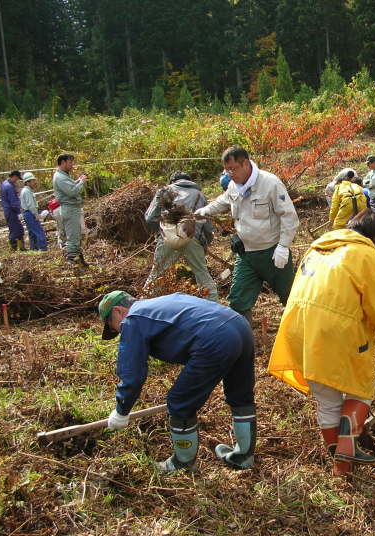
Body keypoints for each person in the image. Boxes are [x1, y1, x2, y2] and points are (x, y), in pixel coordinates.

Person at [267, 210, 375, 476]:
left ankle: (341, 468)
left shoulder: (318, 248)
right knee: (361, 389)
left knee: (328, 401)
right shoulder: (366, 255)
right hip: (336, 334)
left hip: (301, 332)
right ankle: (347, 448)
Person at [99, 291, 255, 474]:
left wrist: (121, 411)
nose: (118, 332)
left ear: (118, 311)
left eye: (112, 326)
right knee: (241, 395)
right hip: (240, 325)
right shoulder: (160, 303)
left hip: (215, 338)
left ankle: (182, 464)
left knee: (180, 401)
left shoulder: (133, 320)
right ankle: (243, 457)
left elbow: (132, 374)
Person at [194, 146, 299, 323]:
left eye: (233, 169)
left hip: (272, 252)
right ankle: (242, 342)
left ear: (245, 164)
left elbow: (289, 216)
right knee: (238, 302)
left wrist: (283, 246)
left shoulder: (270, 183)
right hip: (247, 254)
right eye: (227, 170)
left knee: (291, 298)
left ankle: (299, 334)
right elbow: (223, 201)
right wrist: (204, 211)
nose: (230, 174)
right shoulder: (234, 186)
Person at [144, 171, 218, 301]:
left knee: (156, 276)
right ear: (190, 181)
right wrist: (204, 244)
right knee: (202, 275)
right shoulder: (200, 195)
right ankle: (214, 305)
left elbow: (150, 218)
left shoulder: (165, 191)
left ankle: (143, 307)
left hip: (168, 237)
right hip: (192, 237)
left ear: (172, 182)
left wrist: (161, 233)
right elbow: (207, 227)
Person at [52, 153, 88, 266]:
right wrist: (81, 182)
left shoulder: (63, 175)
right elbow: (72, 192)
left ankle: (79, 261)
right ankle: (73, 264)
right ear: (63, 162)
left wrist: (77, 181)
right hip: (70, 209)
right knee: (73, 237)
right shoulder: (60, 177)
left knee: (77, 236)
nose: (72, 165)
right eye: (70, 162)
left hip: (72, 209)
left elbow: (70, 187)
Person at [19, 172, 47, 251]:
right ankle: (42, 249)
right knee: (39, 232)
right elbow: (31, 206)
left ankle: (34, 249)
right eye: (32, 181)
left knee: (32, 233)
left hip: (27, 213)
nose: (35, 183)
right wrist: (36, 214)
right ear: (27, 182)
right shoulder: (27, 192)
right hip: (30, 213)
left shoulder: (26, 191)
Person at [0, 170, 25, 251]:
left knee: (16, 229)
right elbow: (13, 202)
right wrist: (19, 212)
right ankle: (15, 248)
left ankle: (20, 247)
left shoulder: (4, 183)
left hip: (7, 210)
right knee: (16, 230)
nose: (17, 181)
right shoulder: (9, 187)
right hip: (12, 211)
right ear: (14, 176)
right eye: (17, 178)